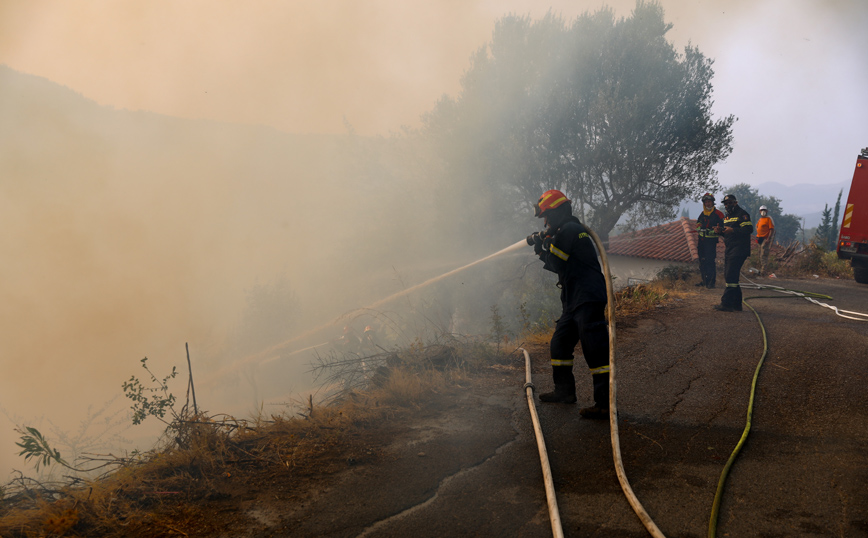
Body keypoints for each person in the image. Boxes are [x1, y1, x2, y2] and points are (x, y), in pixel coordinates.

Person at [527, 189, 610, 419]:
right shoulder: (566, 231)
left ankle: (604, 404)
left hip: (587, 297)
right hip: (574, 299)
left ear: (555, 213)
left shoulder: (571, 230)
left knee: (595, 350)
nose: (545, 222)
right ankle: (564, 392)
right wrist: (543, 248)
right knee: (560, 344)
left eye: (546, 216)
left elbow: (556, 261)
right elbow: (558, 263)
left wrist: (543, 248)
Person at [713, 194, 753, 312]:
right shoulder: (727, 217)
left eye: (730, 203)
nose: (728, 205)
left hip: (739, 249)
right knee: (733, 277)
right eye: (726, 203)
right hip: (730, 249)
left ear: (735, 203)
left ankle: (726, 303)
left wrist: (733, 230)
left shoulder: (742, 214)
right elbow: (727, 233)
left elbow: (748, 229)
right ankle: (736, 305)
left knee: (730, 276)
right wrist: (720, 231)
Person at [695, 193, 725, 288]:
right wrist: (699, 227)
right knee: (702, 261)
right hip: (702, 241)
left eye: (709, 202)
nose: (708, 204)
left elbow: (722, 227)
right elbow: (698, 223)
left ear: (713, 202)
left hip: (711, 242)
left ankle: (711, 282)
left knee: (710, 261)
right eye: (706, 202)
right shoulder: (702, 213)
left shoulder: (719, 214)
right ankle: (704, 281)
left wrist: (712, 231)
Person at [755, 205, 775, 276]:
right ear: (759, 211)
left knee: (764, 255)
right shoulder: (760, 219)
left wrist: (768, 239)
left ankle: (764, 271)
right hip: (759, 239)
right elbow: (757, 226)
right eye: (761, 210)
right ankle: (760, 270)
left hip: (765, 239)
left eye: (764, 210)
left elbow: (771, 229)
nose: (763, 211)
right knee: (760, 254)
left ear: (766, 211)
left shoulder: (768, 219)